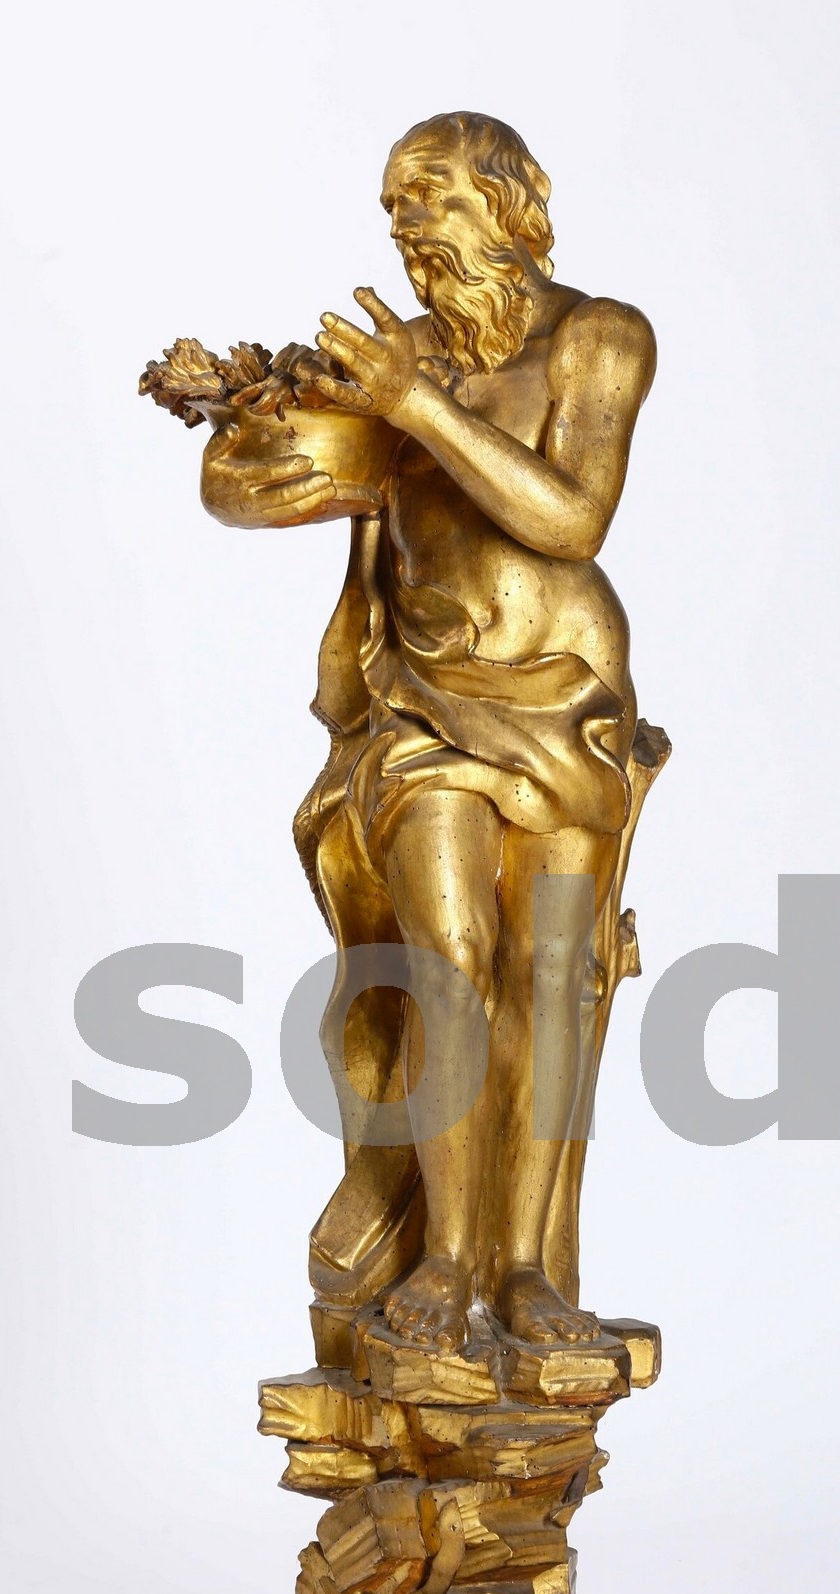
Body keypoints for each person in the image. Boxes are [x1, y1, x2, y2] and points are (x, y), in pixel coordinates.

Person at [202, 111, 658, 1354]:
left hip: (562, 696)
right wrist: (247, 433)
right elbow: (252, 486)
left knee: (552, 980)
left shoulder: (598, 337)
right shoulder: (393, 352)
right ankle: (448, 1260)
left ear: (509, 204)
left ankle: (528, 1272)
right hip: (419, 697)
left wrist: (416, 410)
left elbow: (572, 519)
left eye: (431, 197)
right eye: (395, 205)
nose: (407, 226)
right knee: (442, 958)